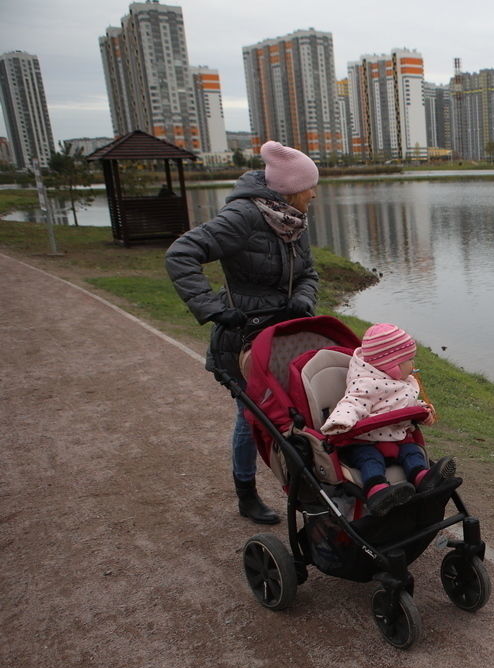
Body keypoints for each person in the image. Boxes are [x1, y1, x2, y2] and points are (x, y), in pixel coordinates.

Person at [165, 140, 321, 525]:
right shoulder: (243, 218)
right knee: (250, 416)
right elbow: (181, 254)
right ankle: (246, 492)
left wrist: (303, 297)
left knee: (300, 408)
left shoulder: (293, 221)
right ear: (290, 189)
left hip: (286, 332)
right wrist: (215, 310)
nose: (314, 194)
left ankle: (312, 483)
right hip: (245, 334)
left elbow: (308, 274)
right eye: (310, 187)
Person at [320, 323, 456, 515]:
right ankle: (378, 491)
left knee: (411, 451)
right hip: (366, 442)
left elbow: (403, 403)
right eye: (409, 360)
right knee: (370, 460)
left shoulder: (400, 383)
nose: (413, 365)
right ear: (392, 365)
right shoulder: (366, 385)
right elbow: (352, 404)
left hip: (397, 439)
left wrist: (422, 411)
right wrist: (341, 421)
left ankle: (423, 478)